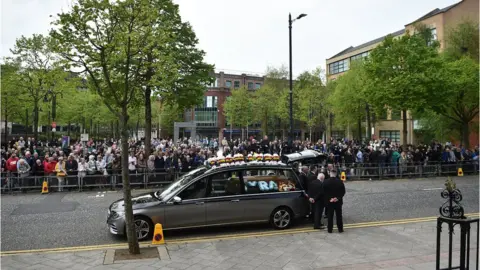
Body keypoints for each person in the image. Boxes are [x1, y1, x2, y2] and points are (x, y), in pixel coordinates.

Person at [323, 168, 346, 233]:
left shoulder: (325, 182)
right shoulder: (340, 182)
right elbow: (343, 192)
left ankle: (330, 229)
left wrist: (329, 198)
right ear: (336, 174)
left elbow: (324, 192)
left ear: (330, 173)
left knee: (330, 216)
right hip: (338, 202)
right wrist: (337, 198)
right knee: (339, 216)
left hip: (329, 202)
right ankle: (340, 229)